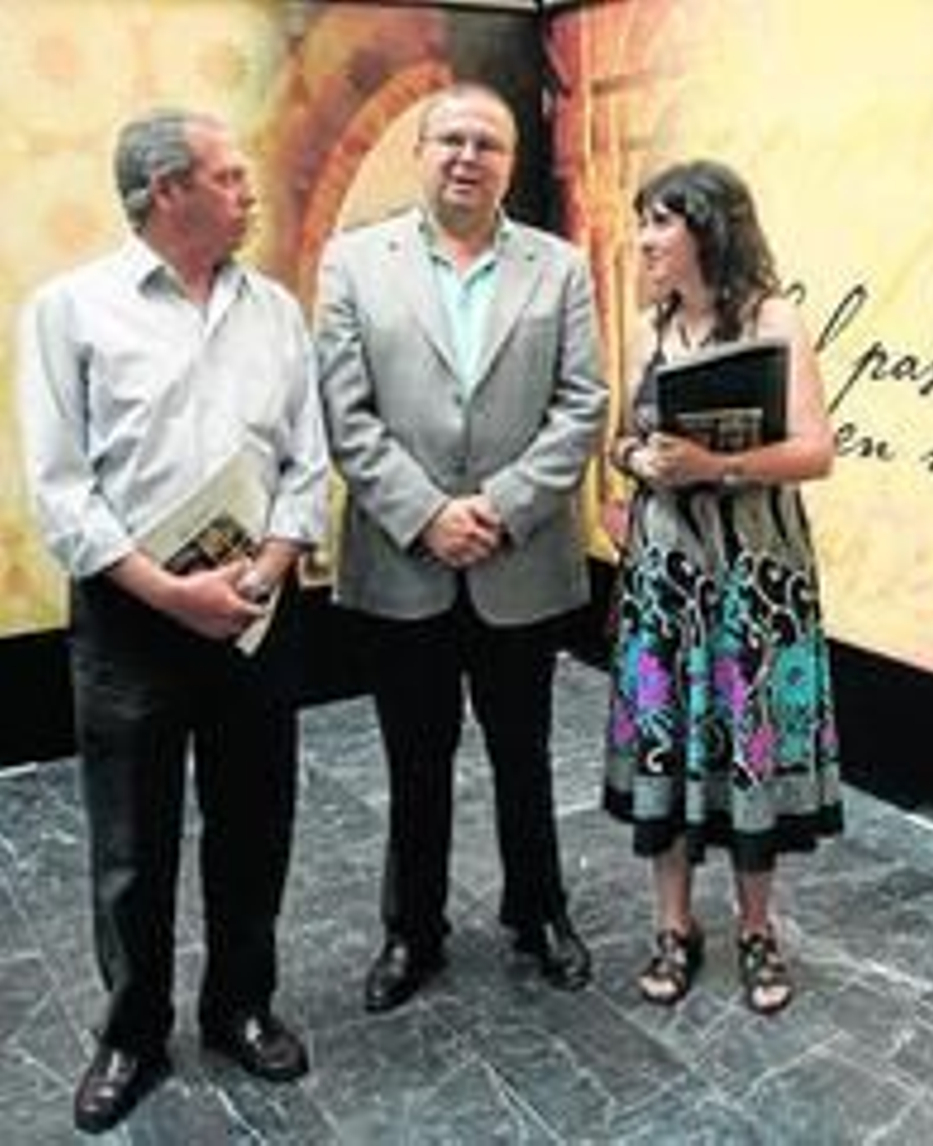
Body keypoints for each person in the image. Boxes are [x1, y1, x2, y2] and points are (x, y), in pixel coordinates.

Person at [13, 108, 327, 1134]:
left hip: (254, 609)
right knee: (130, 844)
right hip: (131, 616)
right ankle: (130, 1033)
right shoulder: (68, 311)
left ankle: (240, 1004)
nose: (249, 191)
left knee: (254, 823)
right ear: (166, 194)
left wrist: (271, 564)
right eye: (229, 176)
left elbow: (306, 461)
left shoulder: (275, 311)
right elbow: (60, 490)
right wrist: (164, 589)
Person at [315, 81, 607, 1012]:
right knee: (415, 759)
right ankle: (413, 932)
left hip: (518, 564)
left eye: (488, 143)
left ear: (509, 164)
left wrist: (501, 506)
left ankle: (540, 913)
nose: (468, 156)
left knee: (524, 753)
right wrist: (427, 513)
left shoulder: (557, 267)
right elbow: (344, 411)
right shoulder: (355, 264)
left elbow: (583, 404)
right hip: (405, 561)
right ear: (421, 152)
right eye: (452, 139)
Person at [601, 159, 843, 1016]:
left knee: (748, 745)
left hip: (756, 577)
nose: (645, 242)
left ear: (709, 227)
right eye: (642, 224)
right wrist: (639, 461)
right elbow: (619, 442)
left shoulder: (775, 319)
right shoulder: (647, 328)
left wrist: (716, 465)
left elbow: (816, 451)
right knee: (668, 746)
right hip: (666, 575)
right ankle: (673, 925)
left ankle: (754, 928)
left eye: (660, 223)